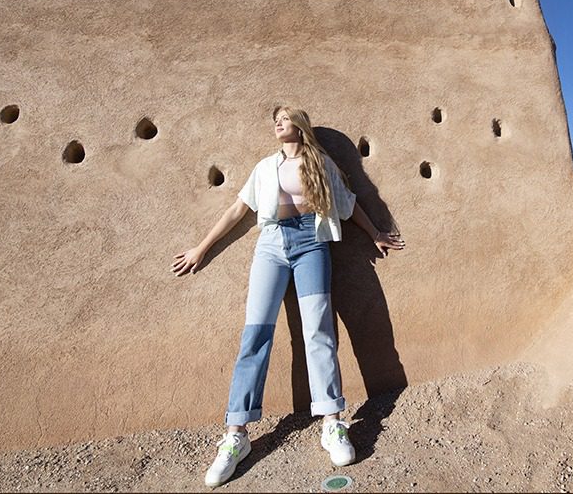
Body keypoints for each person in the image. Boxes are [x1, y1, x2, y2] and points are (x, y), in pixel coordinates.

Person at [173, 106, 405, 487]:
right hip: (271, 245)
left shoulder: (321, 163)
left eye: (284, 117)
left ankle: (331, 422)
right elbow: (237, 209)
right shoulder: (265, 167)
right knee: (256, 334)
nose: (277, 123)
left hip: (312, 244)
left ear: (299, 124)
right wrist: (201, 248)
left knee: (319, 332)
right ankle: (236, 435)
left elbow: (348, 204)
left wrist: (376, 233)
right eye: (275, 120)